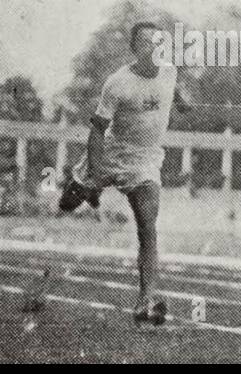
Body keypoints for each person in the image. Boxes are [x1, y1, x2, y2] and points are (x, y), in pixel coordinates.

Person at [58, 22, 191, 325]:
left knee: (148, 226)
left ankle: (146, 299)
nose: (153, 48)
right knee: (67, 203)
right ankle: (82, 186)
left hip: (144, 161)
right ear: (135, 50)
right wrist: (96, 172)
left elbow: (183, 102)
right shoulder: (117, 83)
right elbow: (96, 132)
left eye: (157, 42)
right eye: (145, 43)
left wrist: (184, 101)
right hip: (110, 151)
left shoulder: (170, 72)